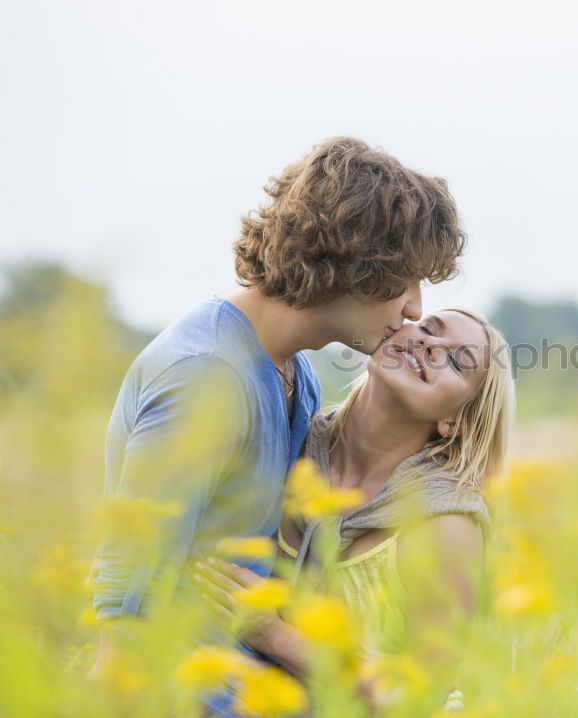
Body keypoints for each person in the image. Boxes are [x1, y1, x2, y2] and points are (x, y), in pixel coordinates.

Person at [89, 138, 467, 668]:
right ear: (356, 260)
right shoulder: (206, 373)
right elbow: (127, 591)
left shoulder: (299, 374)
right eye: (404, 280)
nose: (413, 308)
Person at [195, 307, 515, 715]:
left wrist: (273, 635)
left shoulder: (445, 525)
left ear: (455, 421)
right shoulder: (289, 439)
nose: (430, 343)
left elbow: (419, 698)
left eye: (456, 360)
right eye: (429, 327)